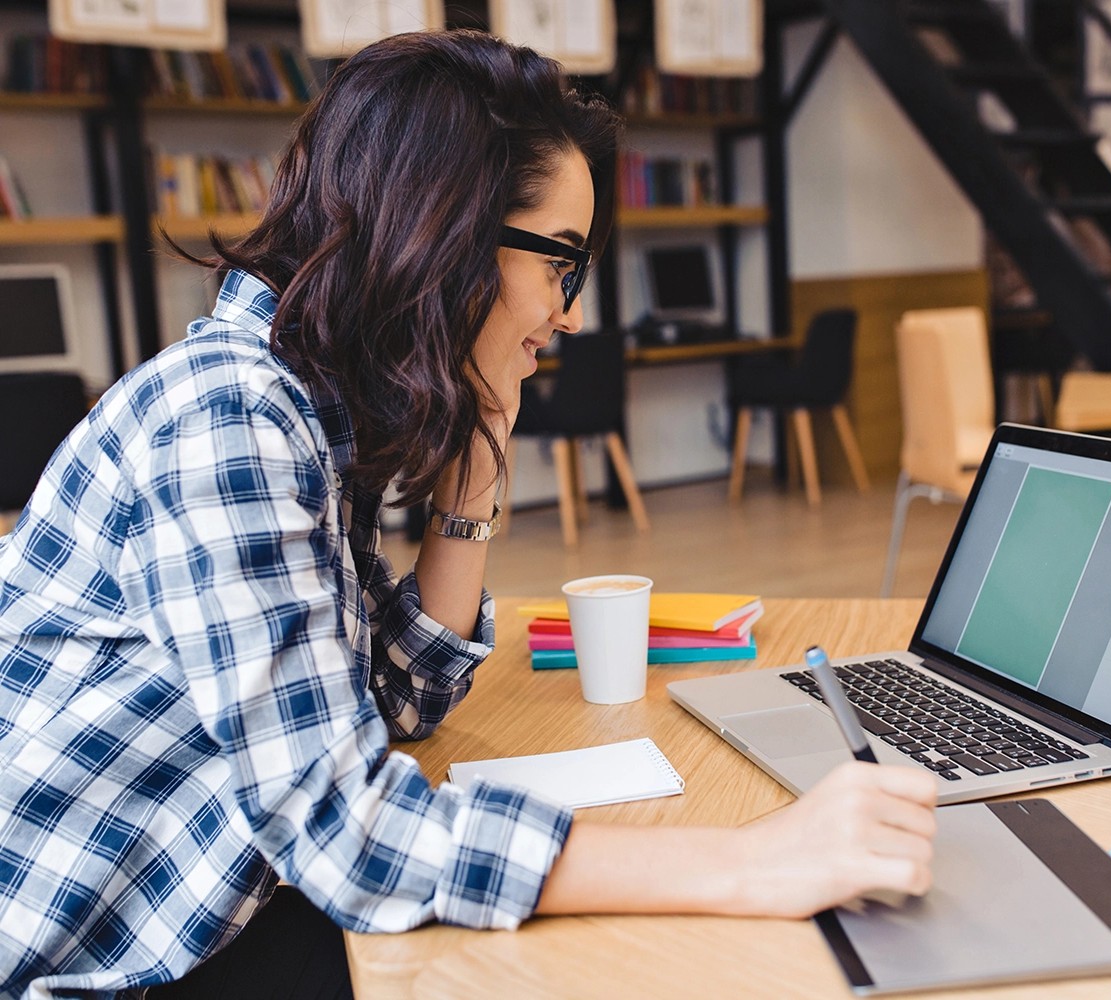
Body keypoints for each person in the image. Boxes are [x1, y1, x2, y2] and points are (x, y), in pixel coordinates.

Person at [0, 29, 937, 1000]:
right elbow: (351, 838)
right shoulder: (229, 415)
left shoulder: (309, 406)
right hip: (101, 958)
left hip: (206, 901)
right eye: (561, 263)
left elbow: (396, 700)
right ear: (445, 236)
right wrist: (754, 861)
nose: (571, 312)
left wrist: (483, 442)